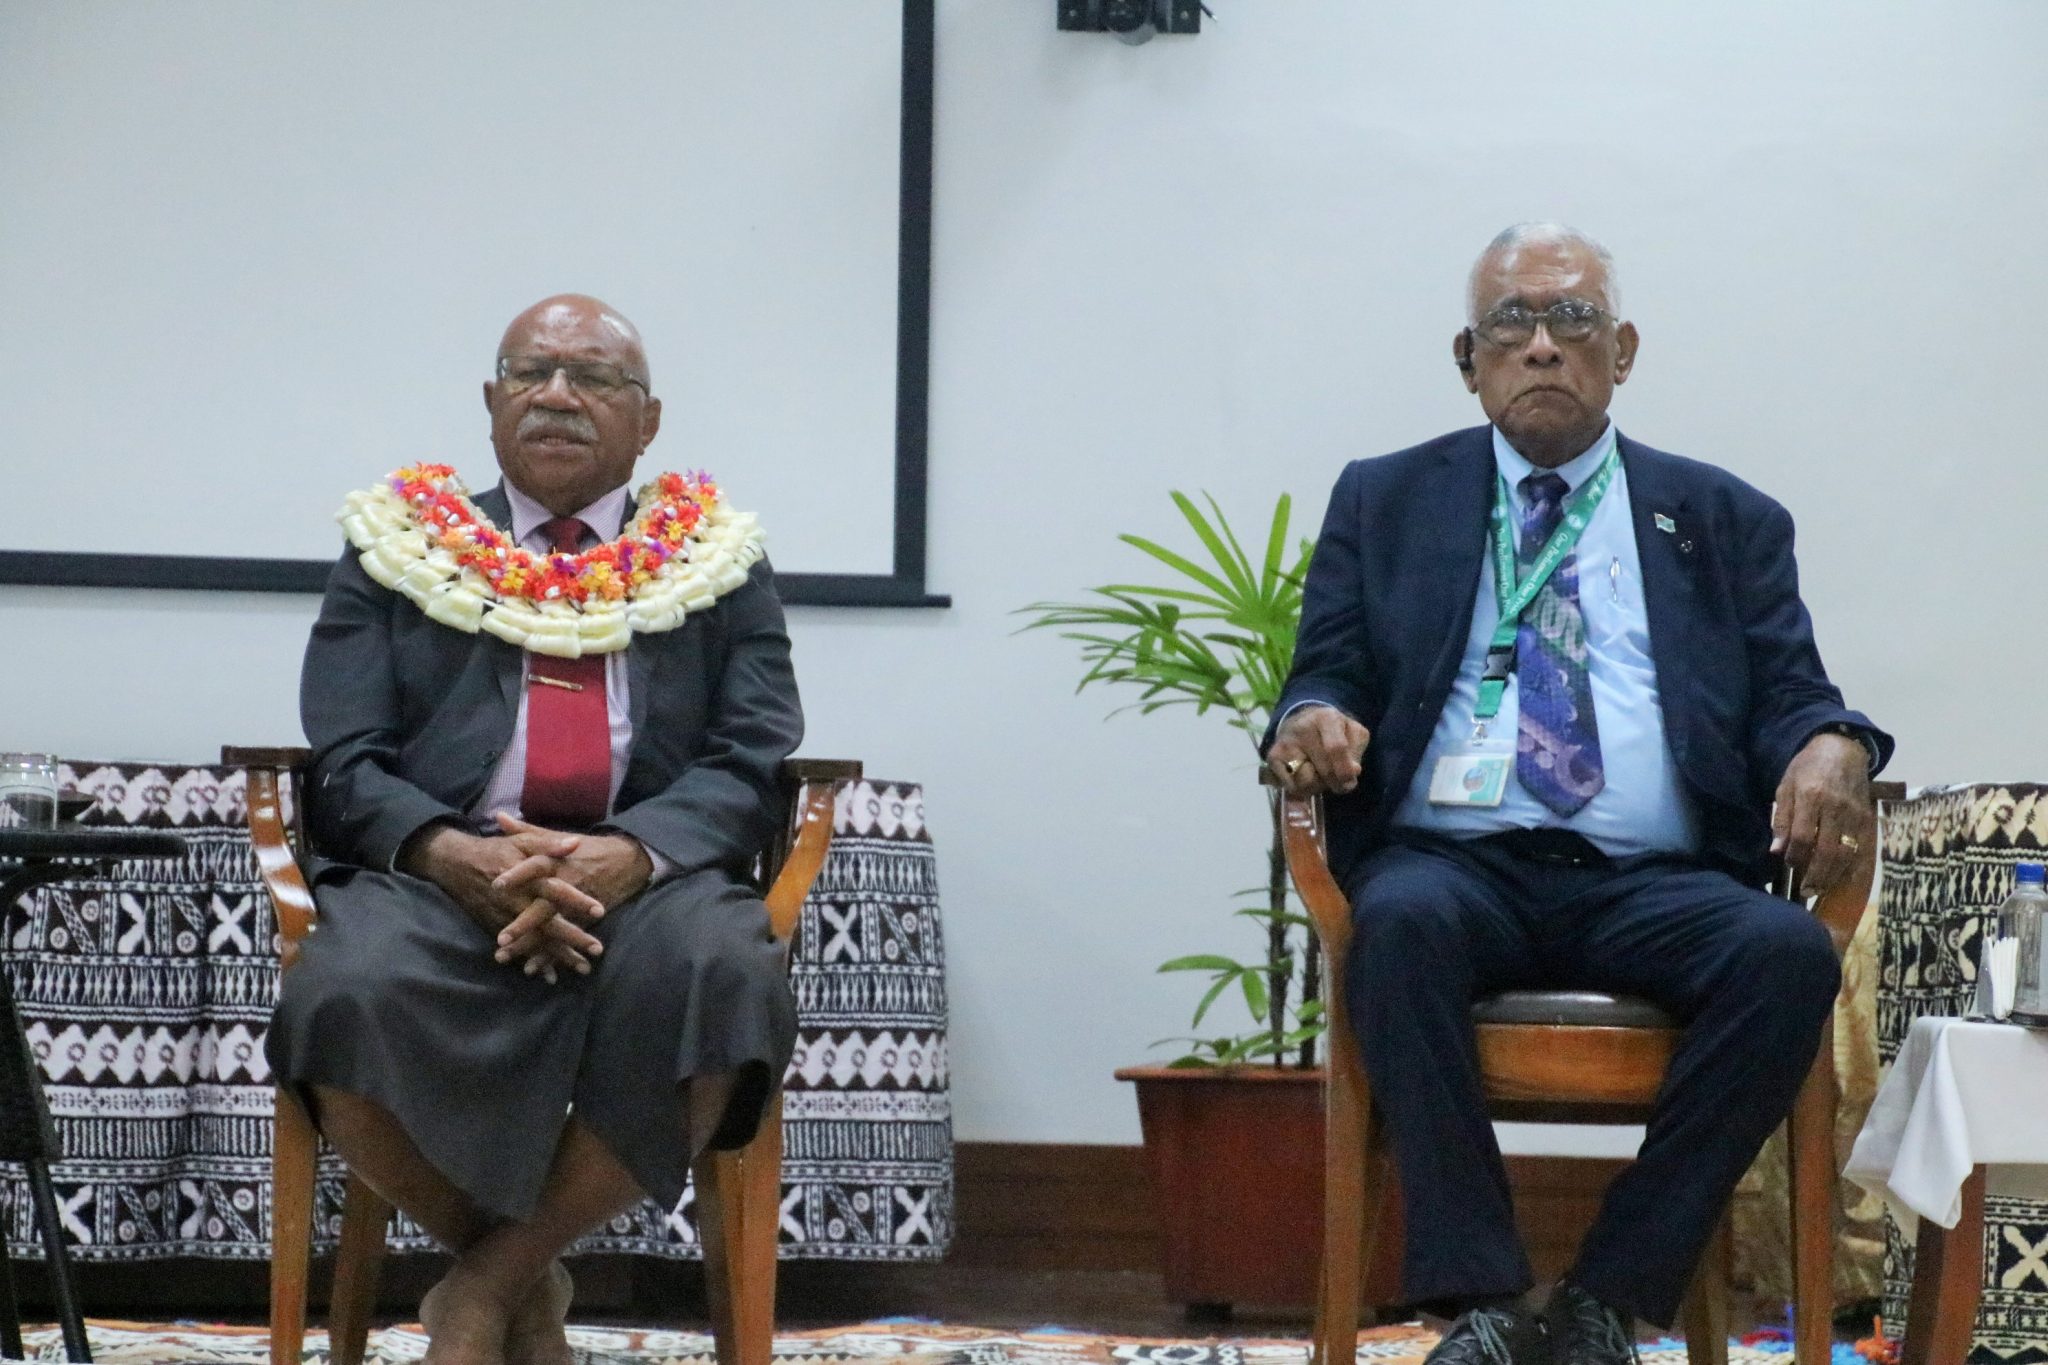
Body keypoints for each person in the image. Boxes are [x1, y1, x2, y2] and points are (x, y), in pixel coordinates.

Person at [1263, 225, 1892, 1365]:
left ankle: (1608, 1299)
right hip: (1454, 867)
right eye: (1512, 324)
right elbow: (1327, 668)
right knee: (1392, 927)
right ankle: (1483, 1305)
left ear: (1623, 351)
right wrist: (1308, 716)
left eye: (1573, 323)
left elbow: (1795, 693)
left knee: (1782, 956)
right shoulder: (1386, 497)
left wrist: (1834, 743)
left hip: (1652, 879)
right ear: (1468, 358)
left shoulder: (1720, 516)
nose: (1542, 347)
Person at [267, 295, 804, 1365]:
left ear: (647, 422)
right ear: (489, 401)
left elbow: (753, 752)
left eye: (593, 378)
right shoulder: (394, 548)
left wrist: (631, 855)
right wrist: (450, 853)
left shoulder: (719, 561)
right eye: (528, 372)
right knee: (340, 992)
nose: (556, 394)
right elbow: (344, 753)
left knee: (722, 970)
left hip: (648, 875)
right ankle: (518, 1276)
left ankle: (481, 1291)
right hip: (438, 868)